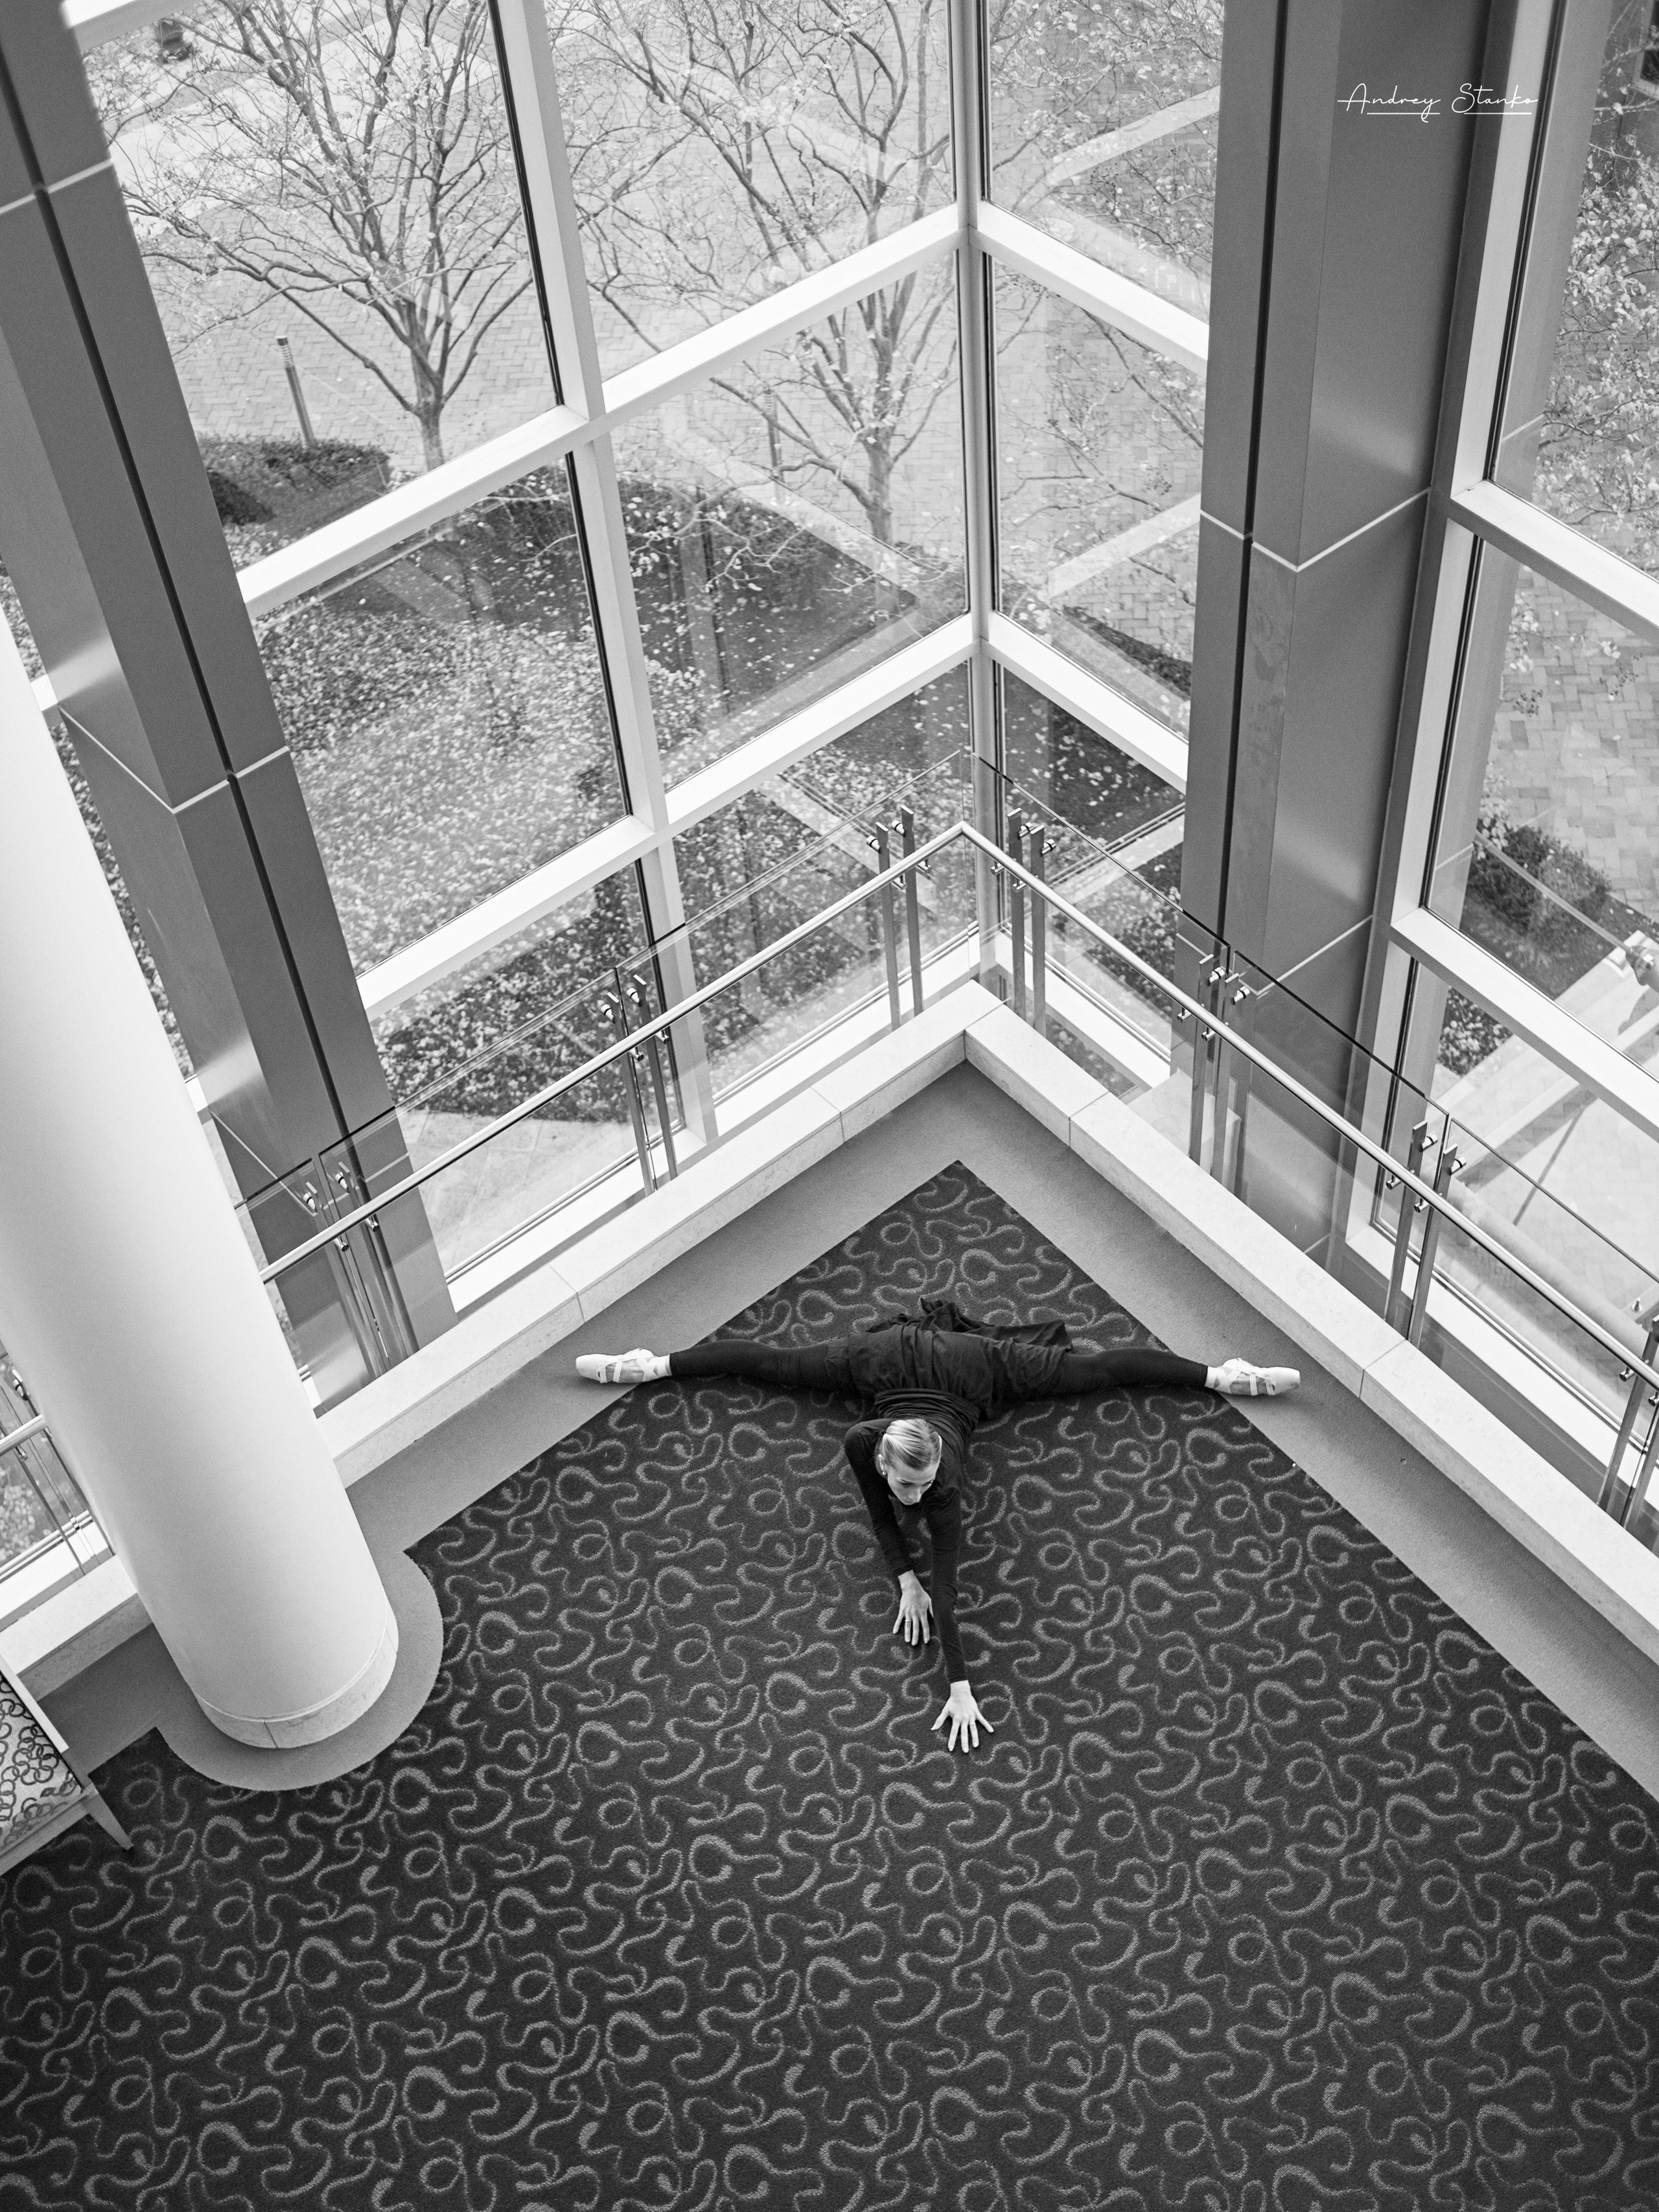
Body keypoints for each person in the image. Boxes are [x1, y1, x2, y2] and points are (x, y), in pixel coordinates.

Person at [575, 1301, 1298, 1753]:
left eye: (921, 1486)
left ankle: (1220, 1375)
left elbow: (949, 1585)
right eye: (908, 1484)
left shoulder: (944, 1482)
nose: (915, 1496)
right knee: (774, 1367)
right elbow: (876, 1511)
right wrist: (901, 1577)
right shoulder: (865, 1440)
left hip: (973, 1371)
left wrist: (958, 1684)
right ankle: (650, 1364)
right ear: (887, 1455)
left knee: (1097, 1372)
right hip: (889, 1362)